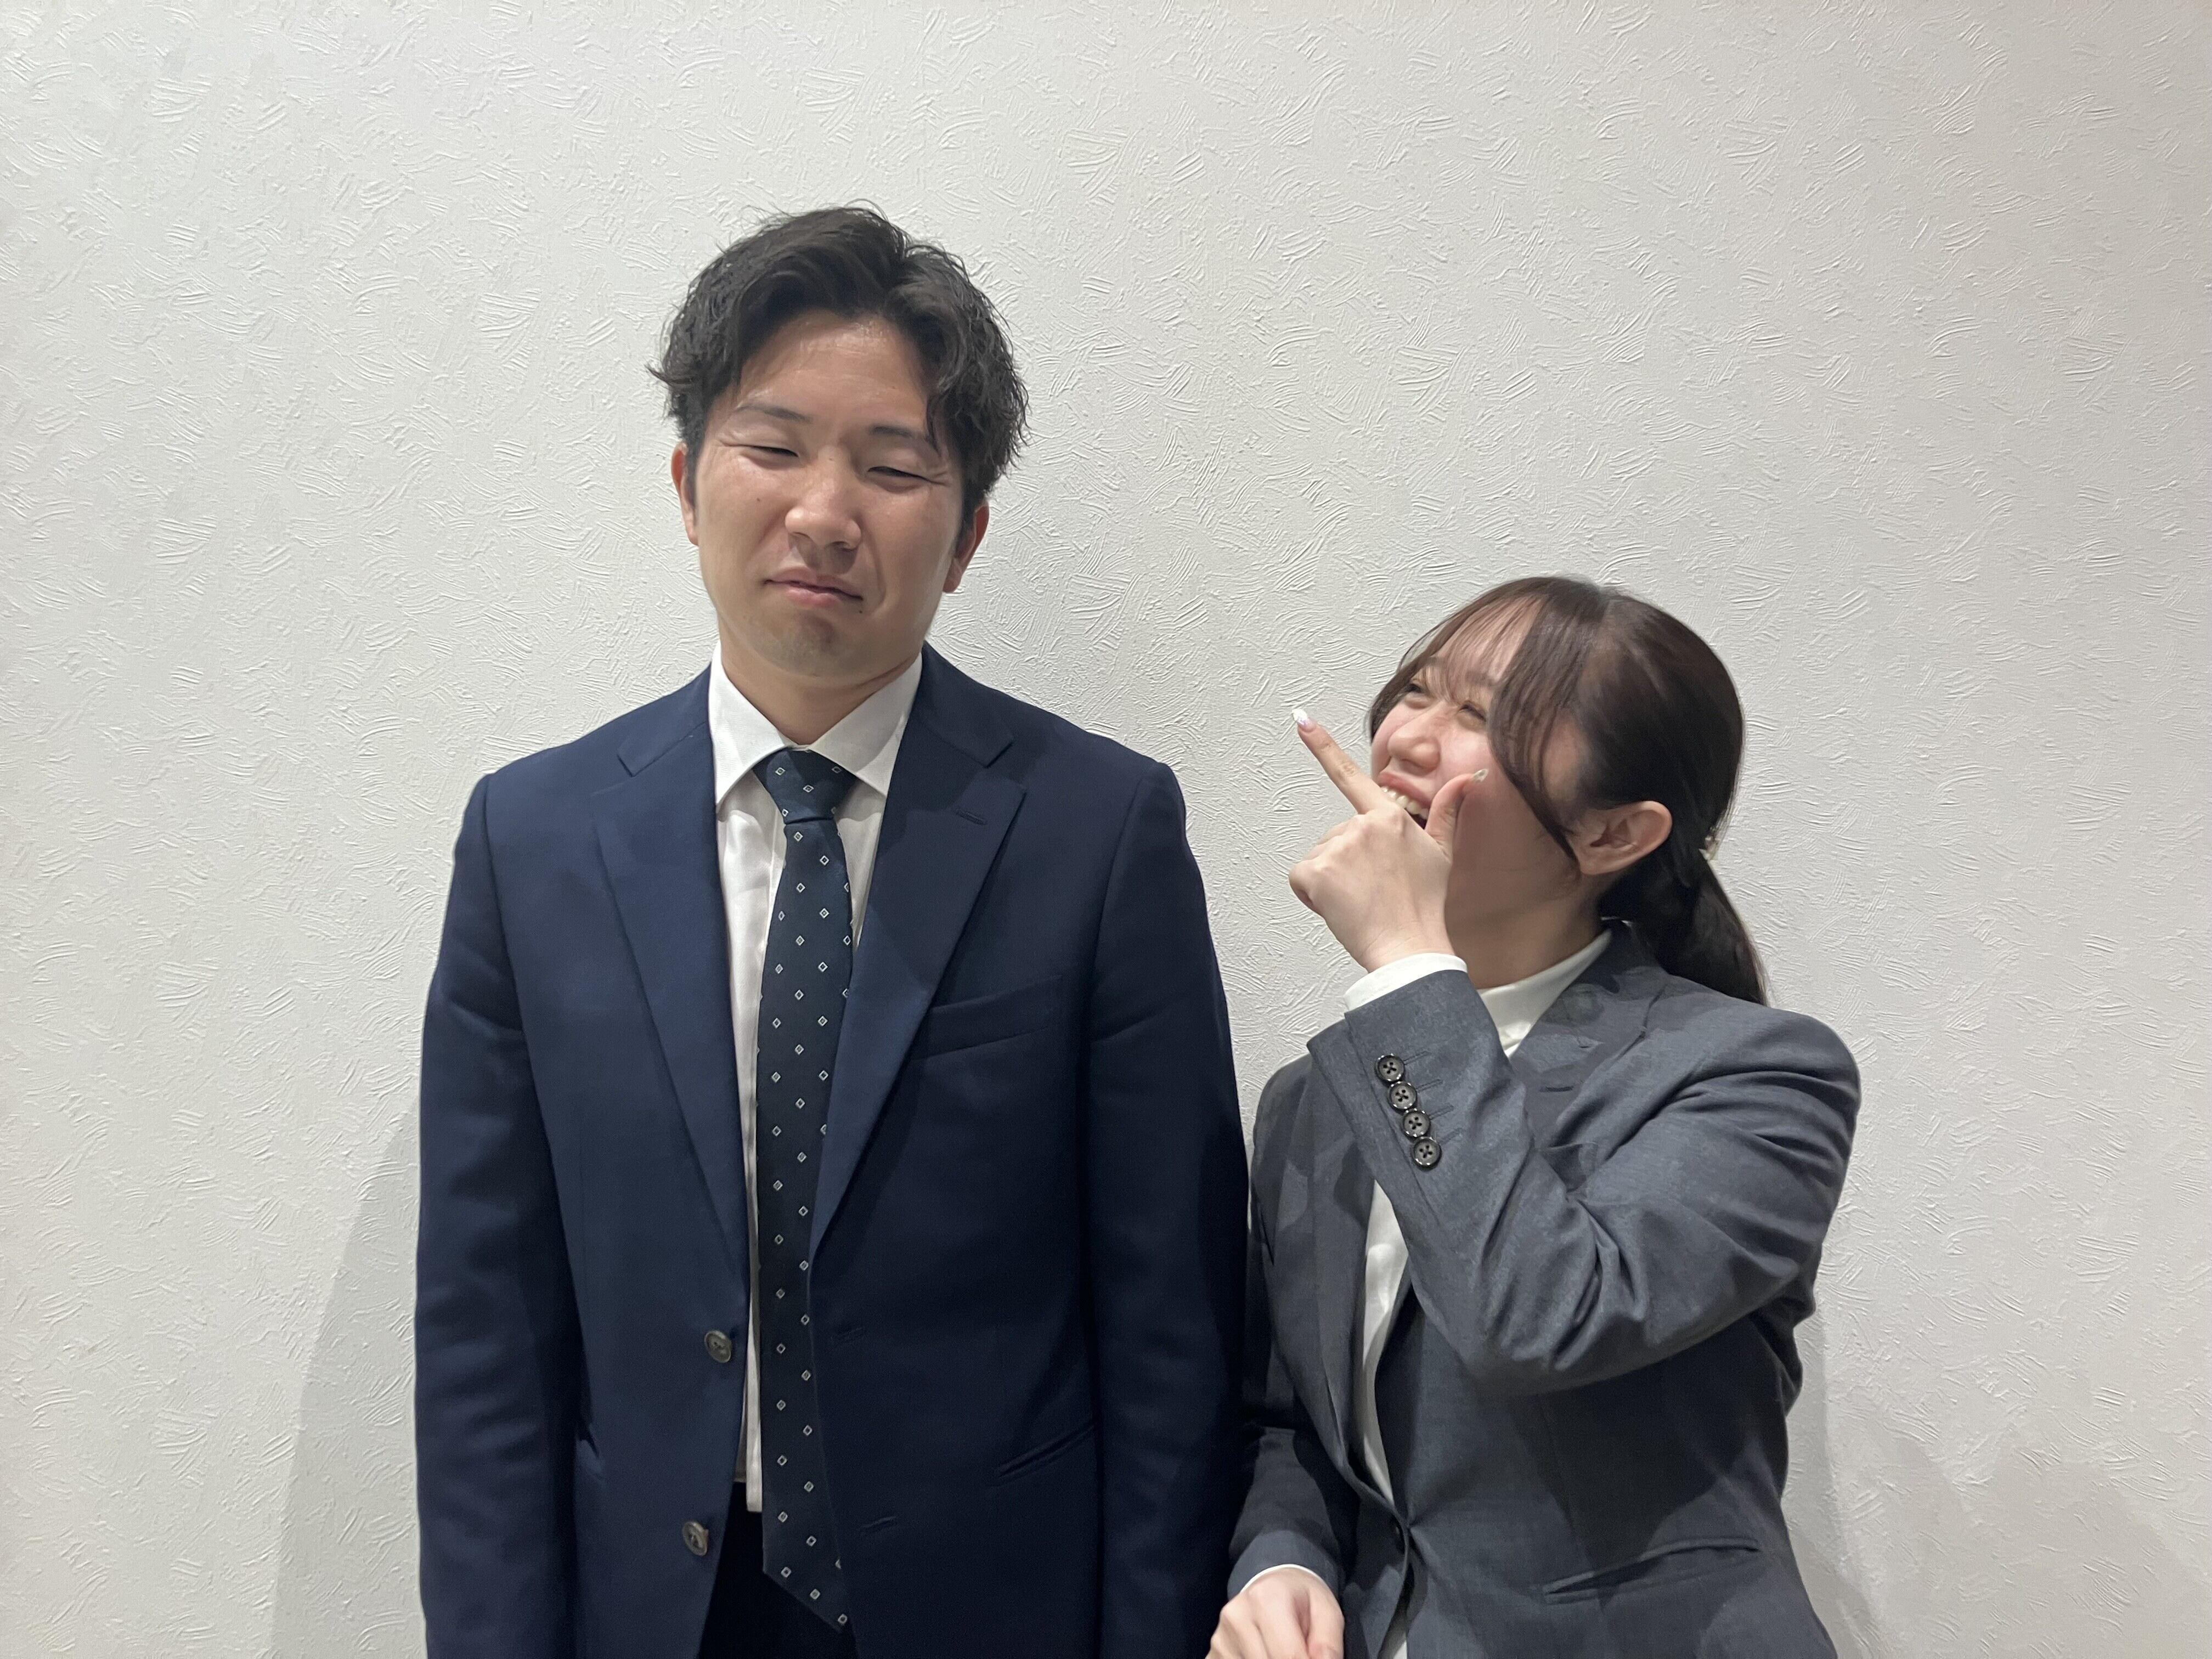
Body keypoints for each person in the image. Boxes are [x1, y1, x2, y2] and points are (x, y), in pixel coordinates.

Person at [415, 206, 1248, 1659]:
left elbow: (1174, 1329)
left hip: (995, 1613)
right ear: (688, 484)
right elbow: (486, 1331)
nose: (824, 510)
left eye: (892, 465)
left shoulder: (1099, 833)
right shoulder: (532, 841)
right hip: (656, 1610)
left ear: (966, 533)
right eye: (775, 444)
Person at [1212, 576, 1859, 1659]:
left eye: (1481, 715)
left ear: (1614, 833)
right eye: (1417, 689)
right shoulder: (1313, 1101)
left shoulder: (1760, 1075)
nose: (1408, 737)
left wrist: (1407, 965)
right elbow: (1293, 1422)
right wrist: (1283, 1559)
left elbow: (1536, 1318)